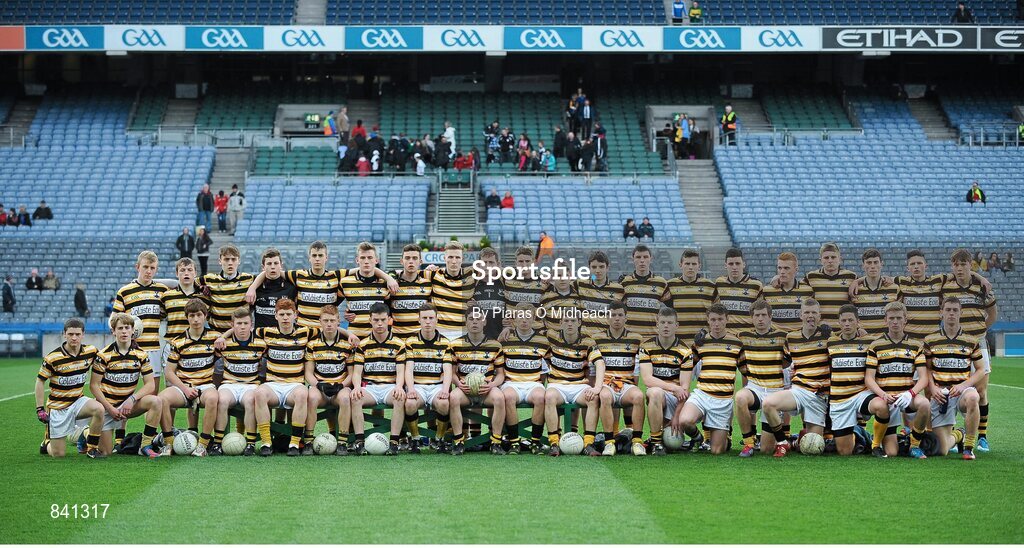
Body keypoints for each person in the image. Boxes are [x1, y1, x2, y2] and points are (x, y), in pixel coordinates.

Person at [943, 248, 998, 452]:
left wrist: (979, 332)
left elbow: (992, 315)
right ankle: (958, 434)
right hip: (955, 345)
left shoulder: (982, 287)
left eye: (963, 264)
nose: (959, 268)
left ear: (970, 265)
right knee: (955, 389)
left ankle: (982, 436)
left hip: (978, 343)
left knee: (981, 391)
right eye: (955, 264)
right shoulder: (946, 285)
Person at [761, 299, 831, 457]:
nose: (810, 316)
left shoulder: (828, 337)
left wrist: (833, 334)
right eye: (807, 312)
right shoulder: (791, 338)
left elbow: (852, 336)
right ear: (801, 315)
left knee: (813, 446)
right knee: (768, 404)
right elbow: (785, 363)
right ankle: (782, 442)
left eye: (814, 313)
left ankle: (795, 442)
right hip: (799, 391)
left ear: (820, 316)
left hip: (819, 396)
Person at [670, 303, 744, 454]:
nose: (716, 323)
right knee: (685, 421)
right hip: (702, 394)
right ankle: (698, 439)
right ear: (708, 321)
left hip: (722, 400)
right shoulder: (700, 342)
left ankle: (725, 436)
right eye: (713, 320)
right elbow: (687, 365)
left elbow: (745, 370)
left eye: (720, 319)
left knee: (717, 451)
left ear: (727, 319)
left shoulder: (737, 343)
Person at [91, 313, 165, 457]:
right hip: (107, 408)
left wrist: (132, 399)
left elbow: (150, 385)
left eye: (127, 328)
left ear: (133, 331)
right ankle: (87, 432)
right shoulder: (103, 355)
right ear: (113, 331)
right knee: (106, 452)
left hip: (128, 407)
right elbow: (94, 386)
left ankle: (145, 445)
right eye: (120, 328)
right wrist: (110, 408)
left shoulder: (141, 355)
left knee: (156, 400)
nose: (124, 331)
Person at [865, 302, 931, 459]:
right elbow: (869, 378)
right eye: (892, 318)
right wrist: (882, 394)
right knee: (892, 453)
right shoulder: (876, 345)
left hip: (906, 396)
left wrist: (911, 393)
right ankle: (869, 437)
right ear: (885, 320)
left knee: (925, 404)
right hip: (886, 399)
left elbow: (923, 378)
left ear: (905, 320)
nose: (895, 322)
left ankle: (914, 445)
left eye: (899, 318)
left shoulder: (916, 345)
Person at [924, 296, 987, 459]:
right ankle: (960, 434)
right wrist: (933, 387)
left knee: (974, 396)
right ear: (941, 313)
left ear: (961, 313)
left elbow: (981, 370)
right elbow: (927, 368)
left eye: (955, 310)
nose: (951, 313)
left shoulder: (971, 340)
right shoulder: (930, 340)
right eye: (948, 310)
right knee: (941, 449)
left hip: (962, 393)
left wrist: (964, 386)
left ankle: (969, 447)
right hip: (941, 396)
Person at [158, 299, 221, 456]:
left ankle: (203, 445)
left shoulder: (214, 337)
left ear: (205, 316)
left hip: (205, 385)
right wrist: (185, 389)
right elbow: (169, 372)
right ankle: (169, 443)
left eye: (199, 315)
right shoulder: (178, 342)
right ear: (187, 317)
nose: (196, 319)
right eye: (192, 316)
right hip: (184, 386)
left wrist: (223, 338)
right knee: (161, 399)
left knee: (213, 398)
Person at [34, 318, 105, 458]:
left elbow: (106, 359)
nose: (74, 337)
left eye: (78, 334)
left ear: (83, 334)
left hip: (78, 401)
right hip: (58, 407)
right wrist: (40, 408)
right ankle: (46, 444)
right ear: (64, 334)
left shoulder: (90, 351)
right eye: (71, 334)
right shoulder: (53, 358)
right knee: (58, 454)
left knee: (99, 409)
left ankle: (91, 448)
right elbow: (40, 381)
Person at [252, 297, 311, 457]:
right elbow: (241, 330)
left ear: (295, 315)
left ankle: (294, 443)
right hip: (273, 385)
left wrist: (349, 334)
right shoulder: (266, 332)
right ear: (275, 315)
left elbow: (330, 329)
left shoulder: (305, 332)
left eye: (289, 314)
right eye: (282, 314)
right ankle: (266, 442)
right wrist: (224, 337)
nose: (285, 318)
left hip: (294, 385)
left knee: (302, 394)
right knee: (259, 393)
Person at [448, 304, 507, 455]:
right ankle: (459, 441)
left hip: (486, 389)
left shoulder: (495, 345)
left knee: (500, 398)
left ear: (484, 322)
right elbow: (452, 373)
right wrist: (458, 383)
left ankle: (496, 441)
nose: (475, 322)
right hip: (465, 390)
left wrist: (492, 384)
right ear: (466, 322)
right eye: (471, 319)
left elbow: (501, 374)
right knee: (453, 398)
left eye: (478, 318)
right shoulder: (455, 345)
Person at [349, 303, 408, 456]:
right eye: (376, 320)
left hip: (390, 387)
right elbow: (357, 373)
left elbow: (401, 371)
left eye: (383, 319)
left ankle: (394, 442)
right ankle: (359, 442)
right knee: (355, 398)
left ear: (389, 320)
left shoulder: (398, 344)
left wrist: (399, 386)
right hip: (371, 387)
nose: (379, 323)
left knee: (400, 398)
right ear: (370, 320)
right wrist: (356, 387)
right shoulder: (363, 345)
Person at [734, 299, 788, 457]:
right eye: (757, 315)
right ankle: (748, 443)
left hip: (775, 391)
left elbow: (790, 361)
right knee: (740, 397)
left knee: (766, 450)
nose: (760, 319)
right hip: (755, 388)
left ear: (770, 317)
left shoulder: (782, 337)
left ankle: (785, 440)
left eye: (764, 315)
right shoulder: (743, 337)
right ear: (752, 318)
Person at [826, 304, 882, 456]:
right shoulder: (831, 343)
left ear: (858, 322)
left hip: (861, 395)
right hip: (840, 399)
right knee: (845, 452)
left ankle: (876, 445)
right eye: (843, 320)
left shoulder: (869, 342)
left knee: (881, 406)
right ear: (839, 322)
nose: (847, 324)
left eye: (851, 320)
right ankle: (860, 434)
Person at [639, 307, 694, 456]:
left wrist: (676, 416)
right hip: (659, 395)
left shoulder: (685, 351)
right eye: (662, 322)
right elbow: (647, 379)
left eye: (670, 323)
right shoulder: (646, 347)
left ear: (677, 325)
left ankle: (698, 437)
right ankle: (656, 442)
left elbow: (684, 389)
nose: (666, 326)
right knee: (655, 392)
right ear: (657, 324)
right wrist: (671, 387)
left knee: (677, 430)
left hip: (677, 398)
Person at [595, 302, 646, 456]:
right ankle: (609, 443)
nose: (616, 318)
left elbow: (637, 365)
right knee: (604, 396)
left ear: (626, 318)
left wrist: (634, 384)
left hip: (626, 384)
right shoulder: (597, 338)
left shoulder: (636, 339)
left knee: (638, 396)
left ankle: (637, 442)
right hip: (607, 385)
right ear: (607, 318)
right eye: (613, 315)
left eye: (620, 315)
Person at [303, 305, 355, 456]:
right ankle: (308, 441)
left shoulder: (347, 344)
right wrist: (318, 385)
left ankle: (343, 442)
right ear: (320, 321)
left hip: (340, 385)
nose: (329, 324)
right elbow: (308, 373)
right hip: (320, 387)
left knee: (345, 398)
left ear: (339, 321)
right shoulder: (312, 344)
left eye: (332, 320)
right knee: (311, 398)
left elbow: (351, 374)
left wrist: (341, 386)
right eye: (325, 320)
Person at [215, 306, 266, 456]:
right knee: (222, 400)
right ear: (232, 325)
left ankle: (250, 443)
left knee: (251, 401)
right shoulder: (223, 344)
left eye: (245, 323)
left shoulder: (261, 344)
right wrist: (223, 336)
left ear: (251, 325)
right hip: (229, 384)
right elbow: (216, 370)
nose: (242, 327)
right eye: (238, 323)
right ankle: (218, 442)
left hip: (251, 385)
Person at [403, 303, 453, 454]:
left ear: (437, 320)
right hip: (418, 385)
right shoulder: (411, 342)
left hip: (436, 386)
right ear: (418, 320)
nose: (428, 321)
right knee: (410, 403)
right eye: (424, 318)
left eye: (431, 318)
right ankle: (415, 439)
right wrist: (411, 389)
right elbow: (409, 369)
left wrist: (445, 390)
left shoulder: (445, 342)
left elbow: (448, 370)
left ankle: (439, 439)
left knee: (444, 404)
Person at [851, 249, 901, 337]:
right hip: (862, 340)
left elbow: (901, 315)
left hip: (886, 341)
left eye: (876, 262)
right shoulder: (855, 290)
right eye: (869, 263)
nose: (873, 266)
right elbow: (851, 316)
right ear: (863, 265)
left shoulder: (894, 288)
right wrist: (858, 329)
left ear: (881, 264)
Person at [714, 247, 764, 333]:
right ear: (725, 265)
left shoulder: (756, 285)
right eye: (731, 264)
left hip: (748, 336)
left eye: (737, 263)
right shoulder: (719, 283)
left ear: (743, 264)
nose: (734, 267)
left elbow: (763, 313)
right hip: (726, 337)